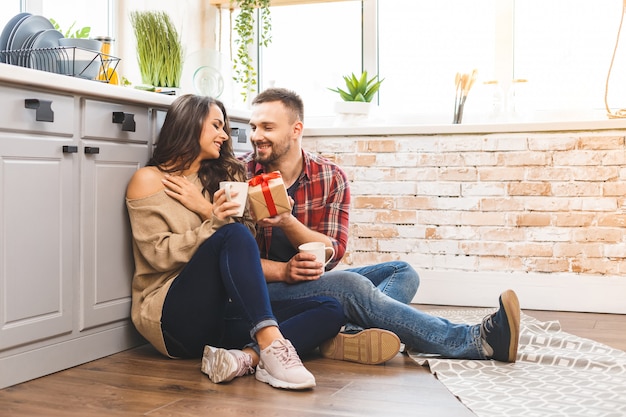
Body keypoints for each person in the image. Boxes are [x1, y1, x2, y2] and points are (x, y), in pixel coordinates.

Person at [240, 87, 521, 364]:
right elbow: (230, 260)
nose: (256, 136)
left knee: (403, 272)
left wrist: (288, 221)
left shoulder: (329, 177)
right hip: (264, 290)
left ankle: (348, 334)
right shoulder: (238, 175)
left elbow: (333, 253)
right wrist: (285, 271)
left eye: (267, 127)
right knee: (350, 286)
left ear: (296, 129)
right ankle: (474, 340)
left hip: (312, 281)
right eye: (254, 127)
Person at [125, 94, 346, 390]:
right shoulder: (149, 180)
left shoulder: (225, 177)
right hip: (170, 319)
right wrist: (214, 222)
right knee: (233, 233)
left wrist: (214, 214)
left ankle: (246, 359)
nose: (224, 135)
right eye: (217, 126)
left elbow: (243, 251)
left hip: (217, 317)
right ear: (190, 124)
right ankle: (272, 347)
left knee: (330, 308)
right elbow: (159, 256)